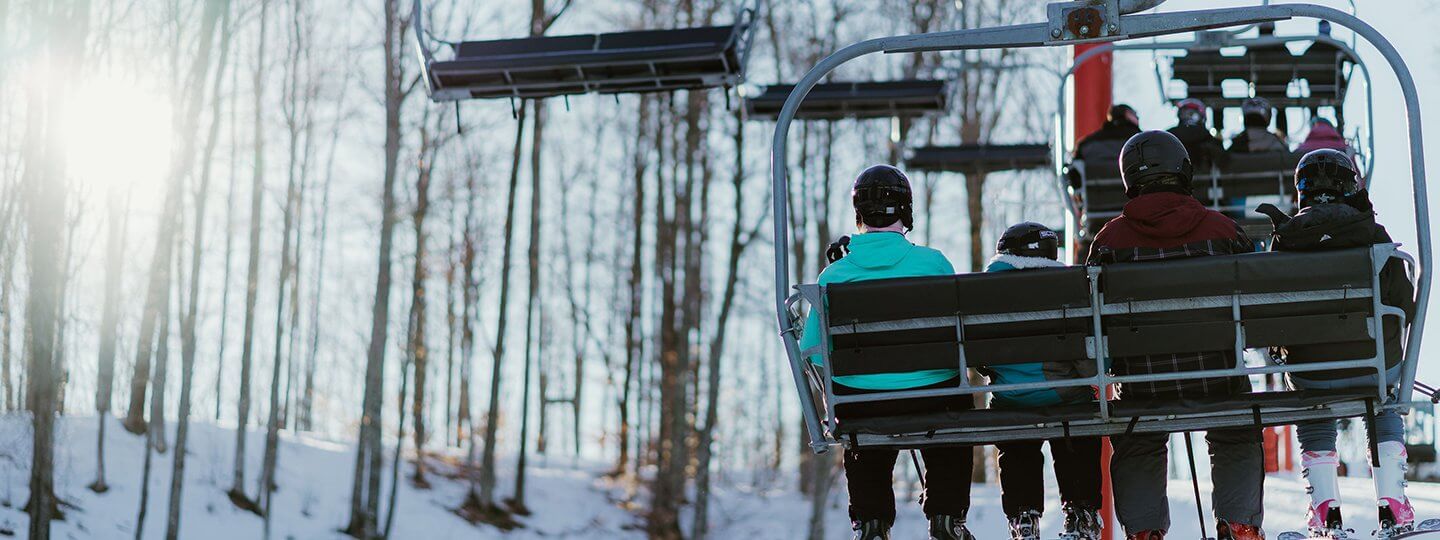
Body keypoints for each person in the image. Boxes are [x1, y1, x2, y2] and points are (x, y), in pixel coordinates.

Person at [1088, 131, 1265, 540]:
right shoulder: (1222, 230)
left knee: (1137, 433)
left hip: (1142, 384)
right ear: (1183, 170)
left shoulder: (1109, 242)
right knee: (1236, 426)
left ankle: (1144, 531)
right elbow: (1257, 298)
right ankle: (1239, 523)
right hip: (1216, 376)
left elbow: (1094, 316)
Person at [799, 164, 975, 540]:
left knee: (864, 434)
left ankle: (872, 521)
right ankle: (947, 515)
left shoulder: (833, 278)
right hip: (933, 396)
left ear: (858, 214)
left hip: (862, 401)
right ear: (906, 211)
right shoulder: (933, 264)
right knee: (952, 422)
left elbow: (812, 352)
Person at [1256, 149, 1417, 538]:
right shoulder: (1374, 236)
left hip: (1312, 371)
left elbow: (1267, 315)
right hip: (1374, 363)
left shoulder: (1287, 240)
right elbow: (1403, 301)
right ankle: (1392, 503)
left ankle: (1326, 509)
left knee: (1315, 406)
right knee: (1382, 398)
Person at [983, 222, 1103, 540]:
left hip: (1011, 396)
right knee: (1077, 427)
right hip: (1064, 397)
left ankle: (1023, 515)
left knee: (1016, 437)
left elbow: (980, 357)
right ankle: (1081, 511)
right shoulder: (1064, 288)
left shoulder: (983, 292)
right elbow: (1085, 357)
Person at [1167, 98, 1227, 170]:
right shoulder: (1208, 137)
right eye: (1186, 113)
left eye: (1193, 114)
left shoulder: (1170, 135)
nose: (1189, 116)